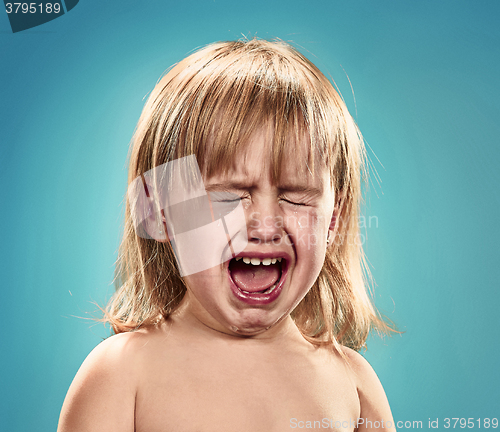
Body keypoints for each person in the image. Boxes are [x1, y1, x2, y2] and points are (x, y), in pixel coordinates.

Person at [57, 37, 397, 432]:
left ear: (333, 220)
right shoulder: (121, 374)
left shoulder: (353, 385)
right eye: (229, 196)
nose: (266, 225)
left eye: (296, 197)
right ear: (159, 213)